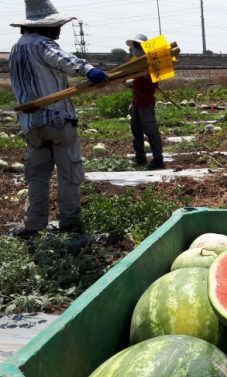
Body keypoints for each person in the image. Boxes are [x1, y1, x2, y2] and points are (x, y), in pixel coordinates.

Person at [9, 0, 108, 240]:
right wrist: (88, 70)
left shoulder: (16, 48)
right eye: (56, 25)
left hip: (32, 124)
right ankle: (70, 222)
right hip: (57, 119)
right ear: (44, 26)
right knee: (69, 171)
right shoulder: (43, 44)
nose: (59, 30)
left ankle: (33, 225)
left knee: (37, 175)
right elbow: (61, 58)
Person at [125, 34, 165, 170]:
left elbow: (150, 83)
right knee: (136, 131)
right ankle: (140, 157)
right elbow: (128, 81)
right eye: (135, 47)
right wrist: (130, 81)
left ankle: (158, 158)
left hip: (146, 103)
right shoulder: (135, 65)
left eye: (139, 47)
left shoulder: (152, 64)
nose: (136, 50)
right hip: (136, 102)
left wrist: (133, 82)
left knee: (151, 131)